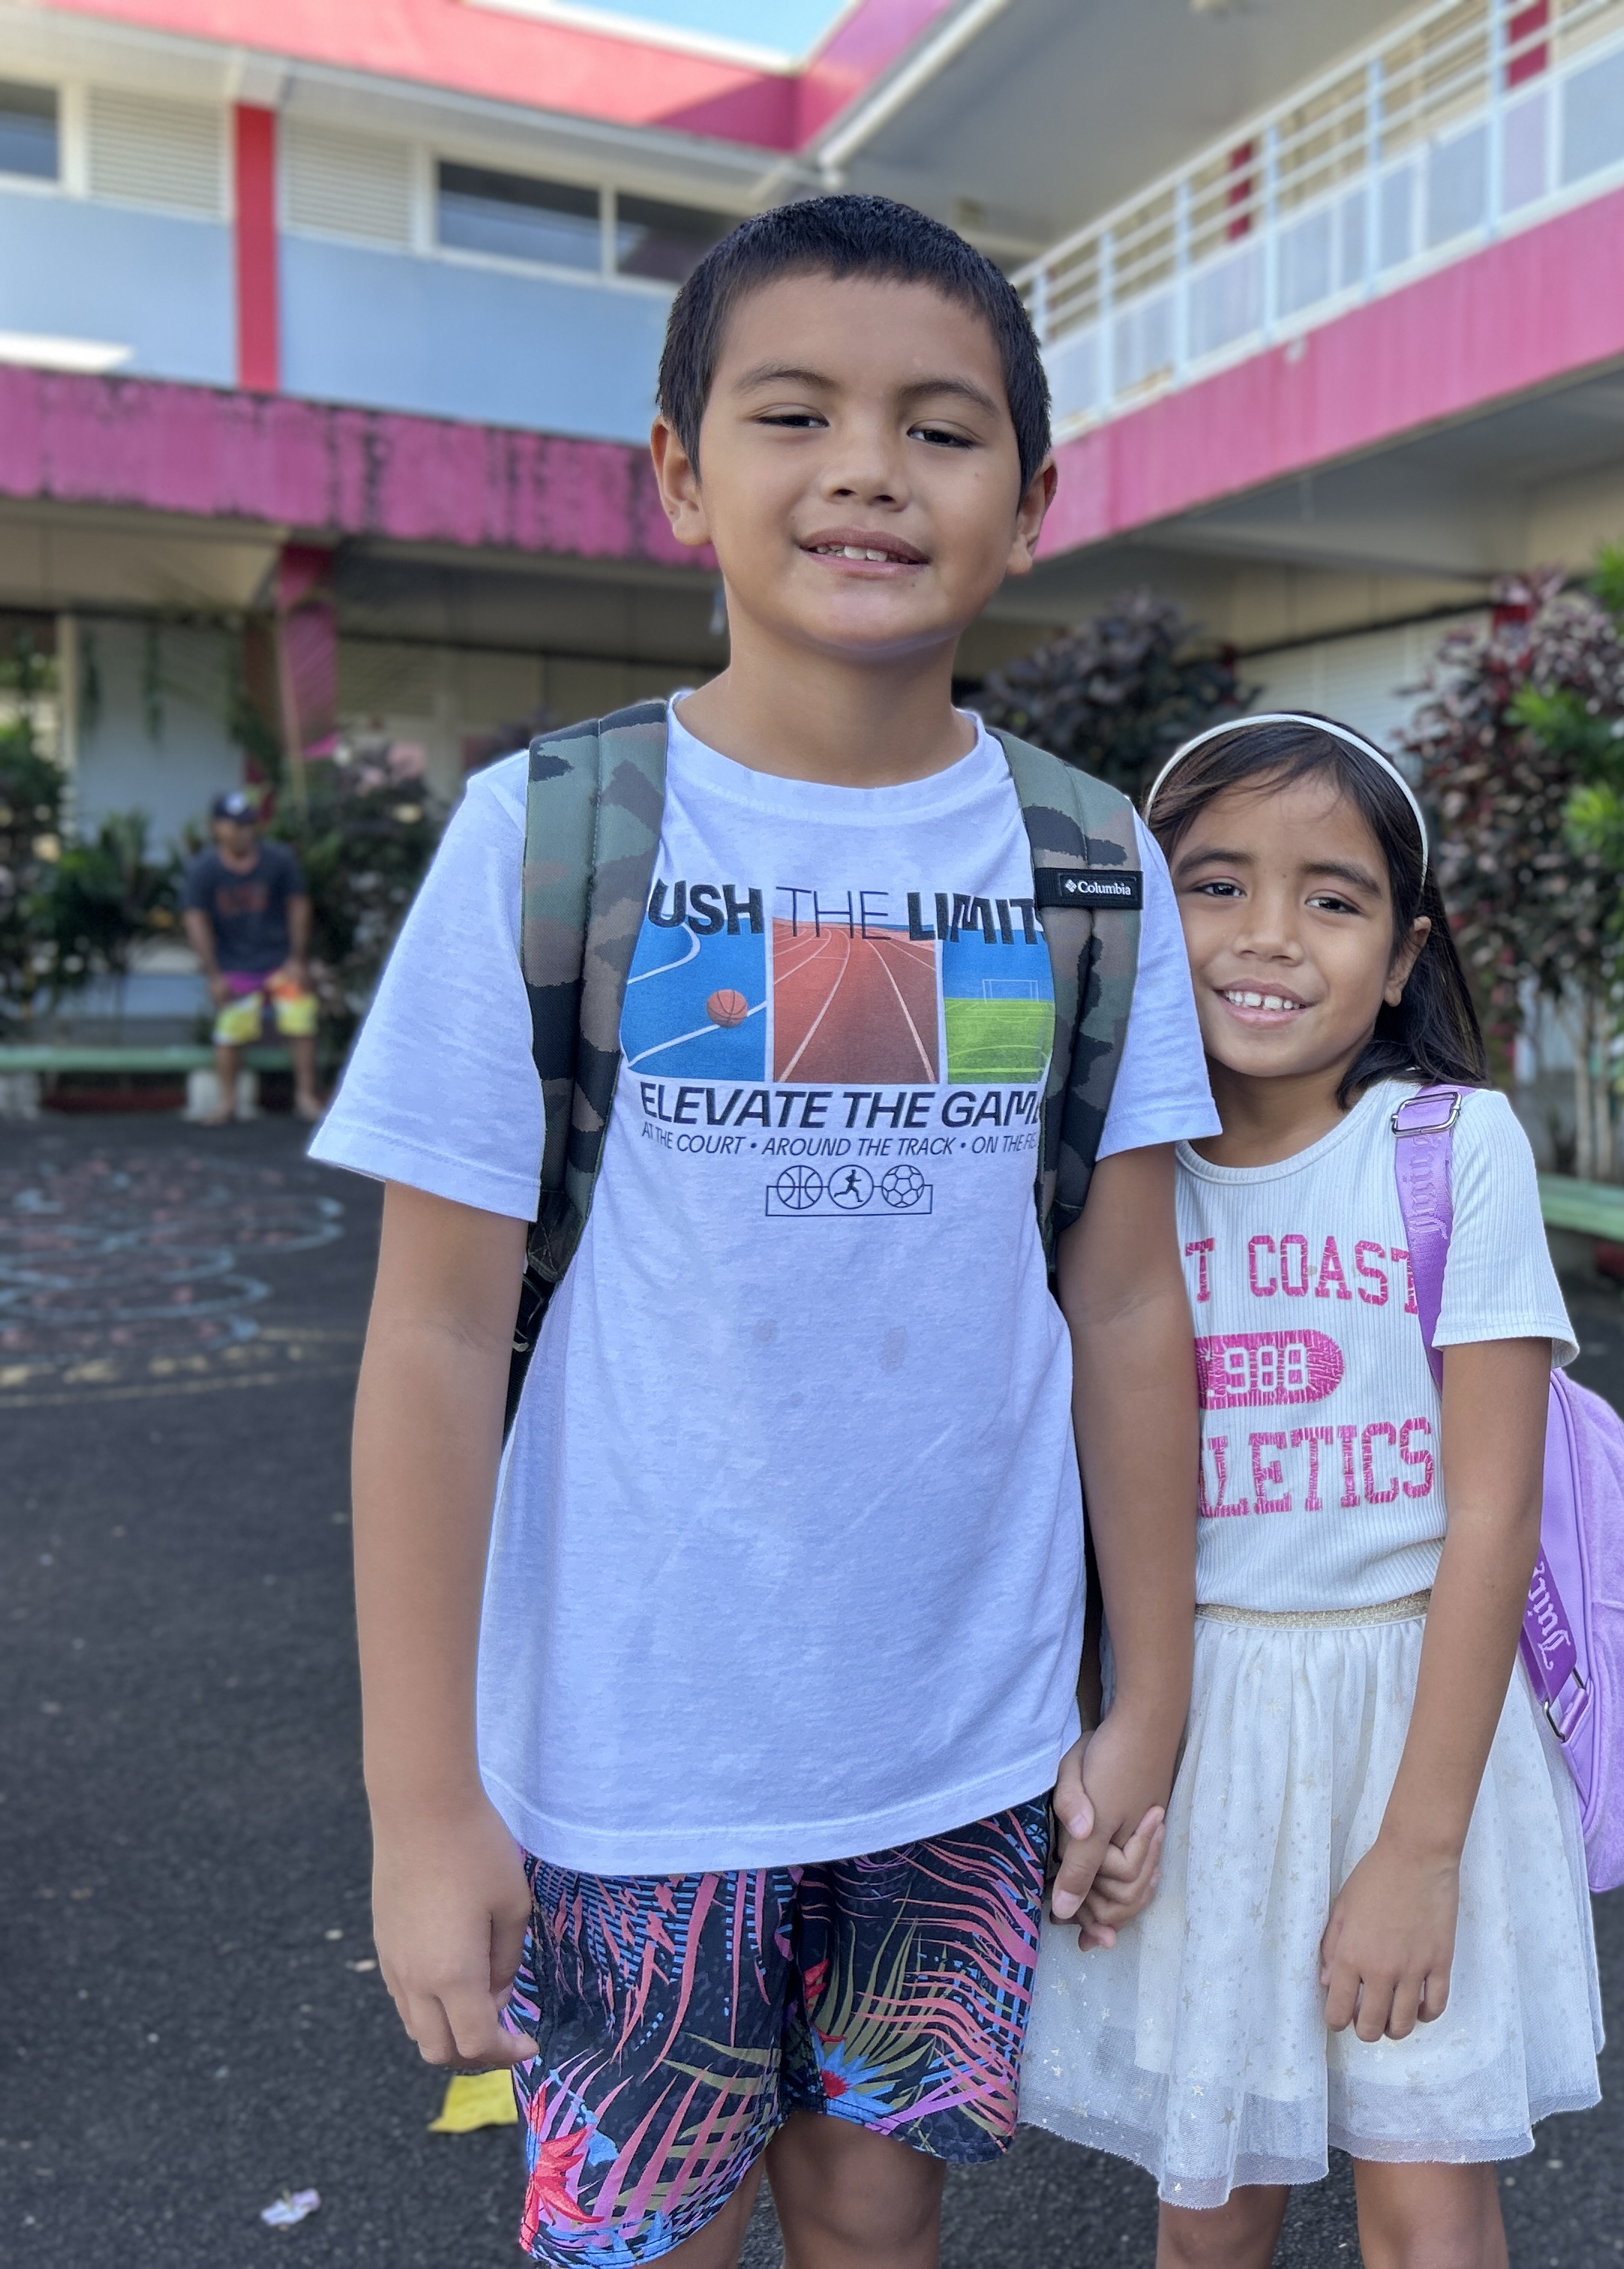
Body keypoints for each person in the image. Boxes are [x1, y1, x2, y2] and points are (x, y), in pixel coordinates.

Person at [308, 197, 1217, 2269]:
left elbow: (1130, 1300)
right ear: (677, 472)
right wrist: (421, 1803)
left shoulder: (1085, 864)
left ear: (1035, 496)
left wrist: (1145, 1695)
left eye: (942, 428)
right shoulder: (555, 839)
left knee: (878, 2219)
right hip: (634, 1758)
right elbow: (436, 1344)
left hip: (960, 1741)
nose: (868, 472)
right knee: (646, 2241)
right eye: (793, 412)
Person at [1018, 714, 1602, 2269]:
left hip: (1417, 1728)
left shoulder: (1451, 1149)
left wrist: (1418, 1850)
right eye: (1214, 886)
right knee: (1214, 2198)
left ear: (1404, 957)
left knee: (1425, 2195)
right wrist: (1113, 1744)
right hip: (1201, 1730)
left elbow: (1495, 1515)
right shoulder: (1100, 1186)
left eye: (1332, 900)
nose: (1269, 938)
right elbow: (1064, 1501)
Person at [179, 788, 323, 1122]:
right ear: (216, 827)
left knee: (300, 1017)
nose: (243, 832)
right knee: (230, 1030)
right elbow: (195, 920)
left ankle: (304, 1096)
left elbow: (298, 906)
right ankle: (227, 1103)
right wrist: (214, 975)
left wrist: (298, 959)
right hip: (236, 970)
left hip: (280, 964)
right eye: (234, 825)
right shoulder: (204, 870)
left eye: (247, 824)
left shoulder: (279, 861)